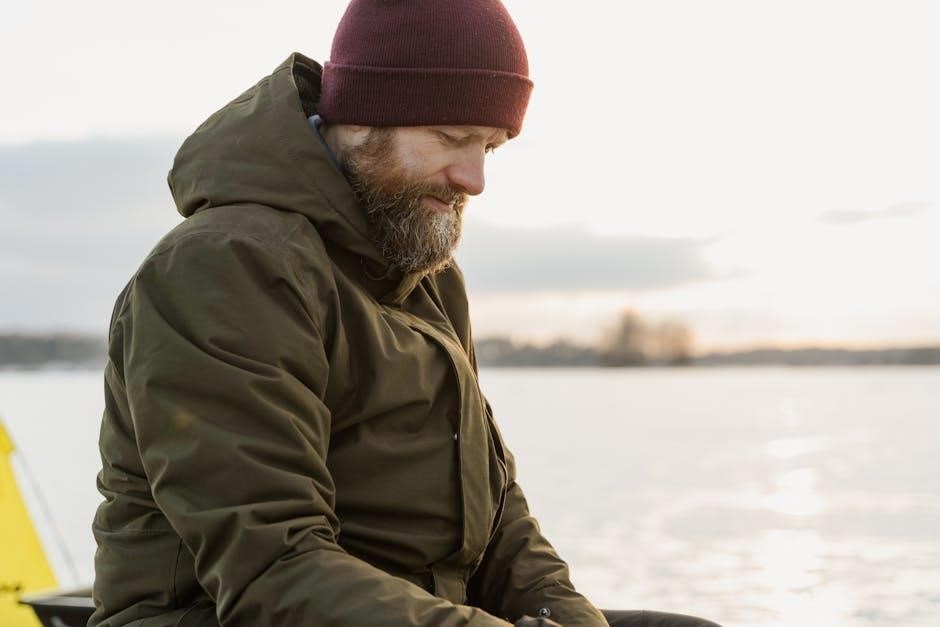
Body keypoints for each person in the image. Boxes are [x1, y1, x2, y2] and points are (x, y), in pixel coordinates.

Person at [90, 1, 721, 626]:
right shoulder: (228, 266)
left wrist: (569, 616)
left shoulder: (424, 273)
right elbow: (271, 570)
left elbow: (498, 518)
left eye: (490, 147)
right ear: (362, 118)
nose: (474, 178)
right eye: (451, 137)